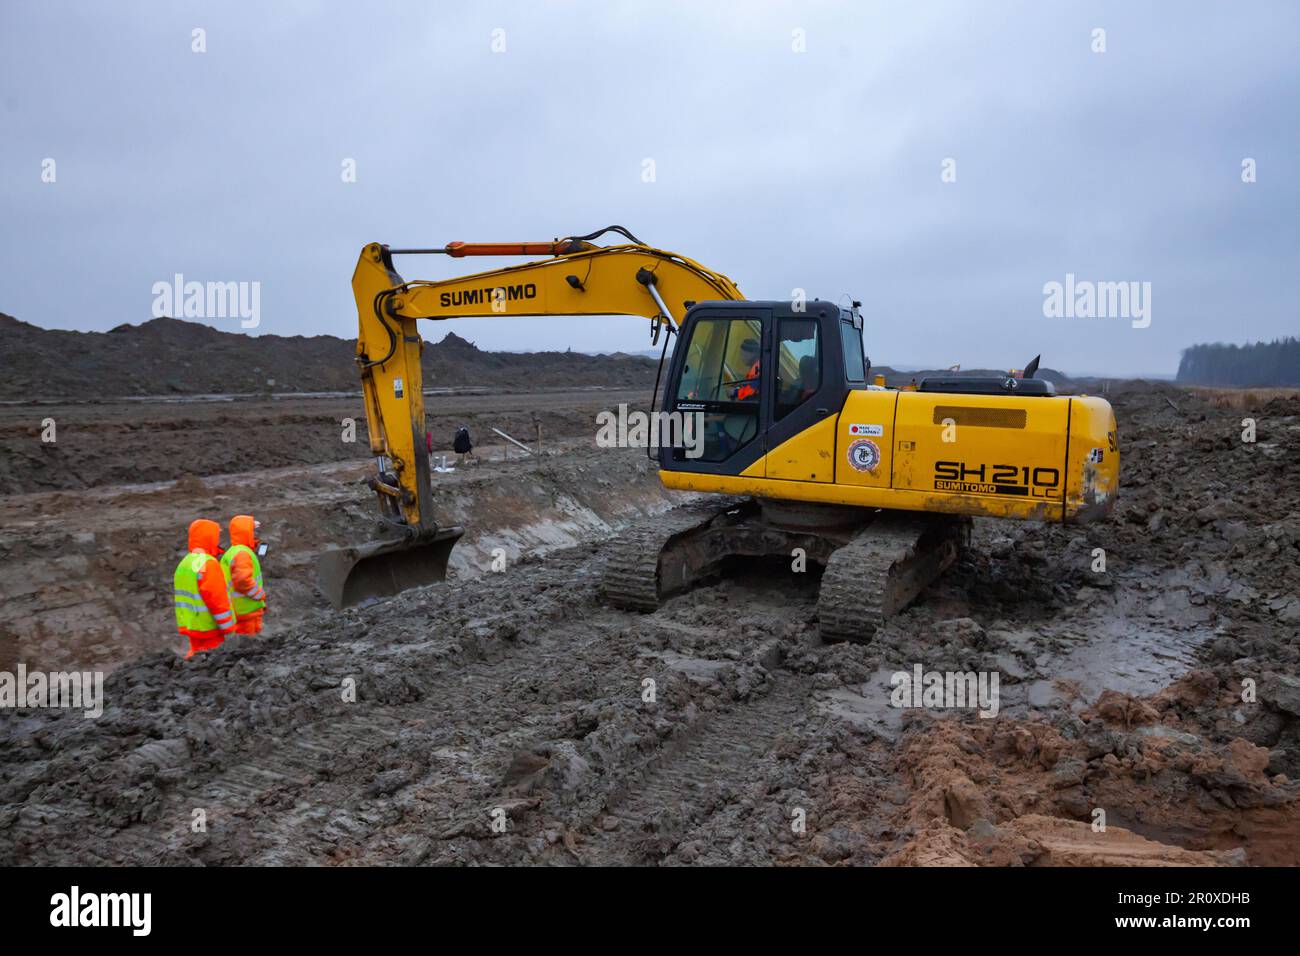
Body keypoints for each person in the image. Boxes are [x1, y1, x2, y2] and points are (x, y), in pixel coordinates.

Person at [173, 518, 236, 659]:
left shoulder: (185, 562)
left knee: (196, 659)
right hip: (209, 628)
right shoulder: (208, 563)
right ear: (210, 538)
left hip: (192, 625)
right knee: (213, 662)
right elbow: (217, 599)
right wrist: (228, 627)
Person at [220, 514, 267, 637]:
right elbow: (242, 581)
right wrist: (259, 594)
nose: (256, 535)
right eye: (253, 531)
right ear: (245, 532)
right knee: (250, 647)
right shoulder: (242, 553)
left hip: (239, 611)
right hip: (247, 611)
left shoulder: (232, 552)